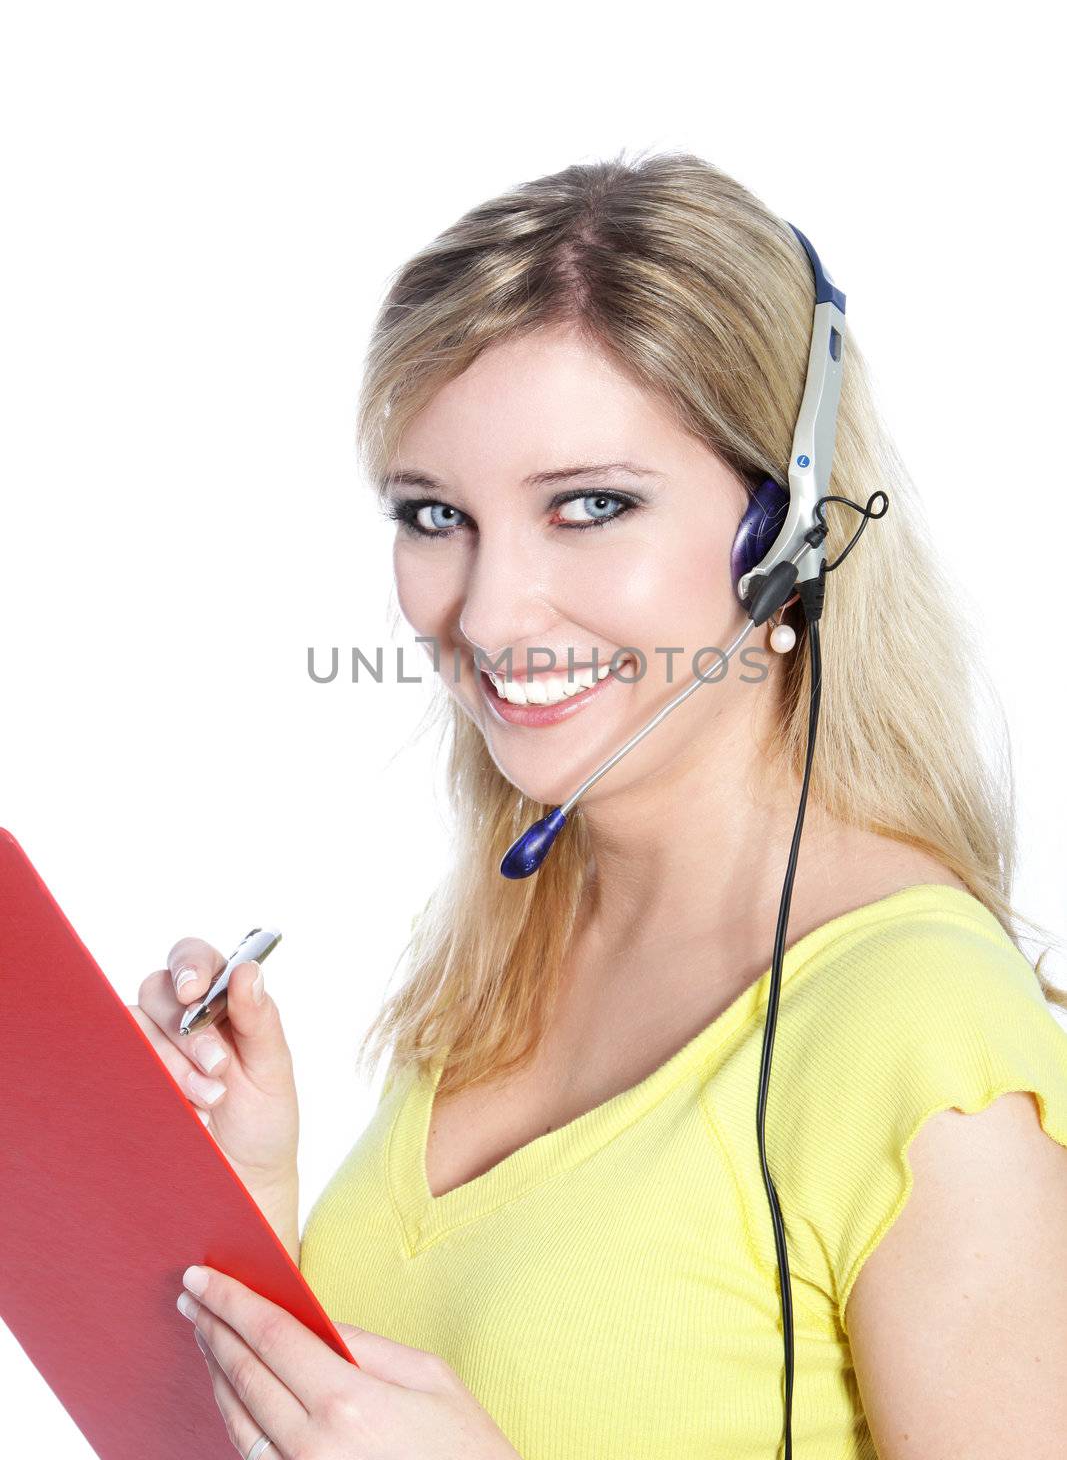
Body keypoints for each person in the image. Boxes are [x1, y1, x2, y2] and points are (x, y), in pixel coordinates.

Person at [138, 151, 1067, 1459]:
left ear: (785, 538)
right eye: (433, 514)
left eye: (590, 506)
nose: (492, 611)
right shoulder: (520, 931)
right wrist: (245, 1204)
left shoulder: (923, 1036)